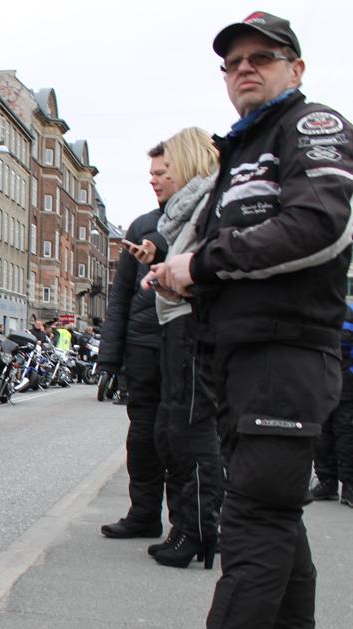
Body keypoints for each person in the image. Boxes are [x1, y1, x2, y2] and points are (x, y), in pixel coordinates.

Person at [135, 12, 353, 629]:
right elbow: (226, 244)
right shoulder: (245, 146)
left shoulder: (312, 126)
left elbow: (320, 224)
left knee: (253, 516)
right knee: (273, 511)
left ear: (297, 66)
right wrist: (177, 272)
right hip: (245, 353)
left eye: (262, 58)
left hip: (286, 351)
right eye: (232, 64)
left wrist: (203, 264)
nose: (244, 70)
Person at [129, 128, 224, 570]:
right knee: (174, 430)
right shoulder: (183, 213)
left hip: (192, 326)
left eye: (164, 170)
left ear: (185, 164)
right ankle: (189, 527)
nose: (155, 179)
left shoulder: (206, 204)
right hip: (175, 324)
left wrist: (169, 273)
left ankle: (200, 530)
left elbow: (209, 265)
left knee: (190, 430)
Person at [97, 144, 174, 541]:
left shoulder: (203, 221)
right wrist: (109, 359)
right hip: (142, 350)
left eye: (161, 172)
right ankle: (144, 514)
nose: (153, 179)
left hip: (184, 348)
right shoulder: (141, 225)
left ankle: (189, 525)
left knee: (179, 438)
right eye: (152, 172)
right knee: (142, 438)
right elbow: (120, 294)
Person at [307, 304, 353, 505]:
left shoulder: (348, 311)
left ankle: (349, 485)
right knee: (324, 433)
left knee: (346, 433)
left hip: (346, 380)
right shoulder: (317, 309)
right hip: (323, 378)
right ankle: (327, 481)